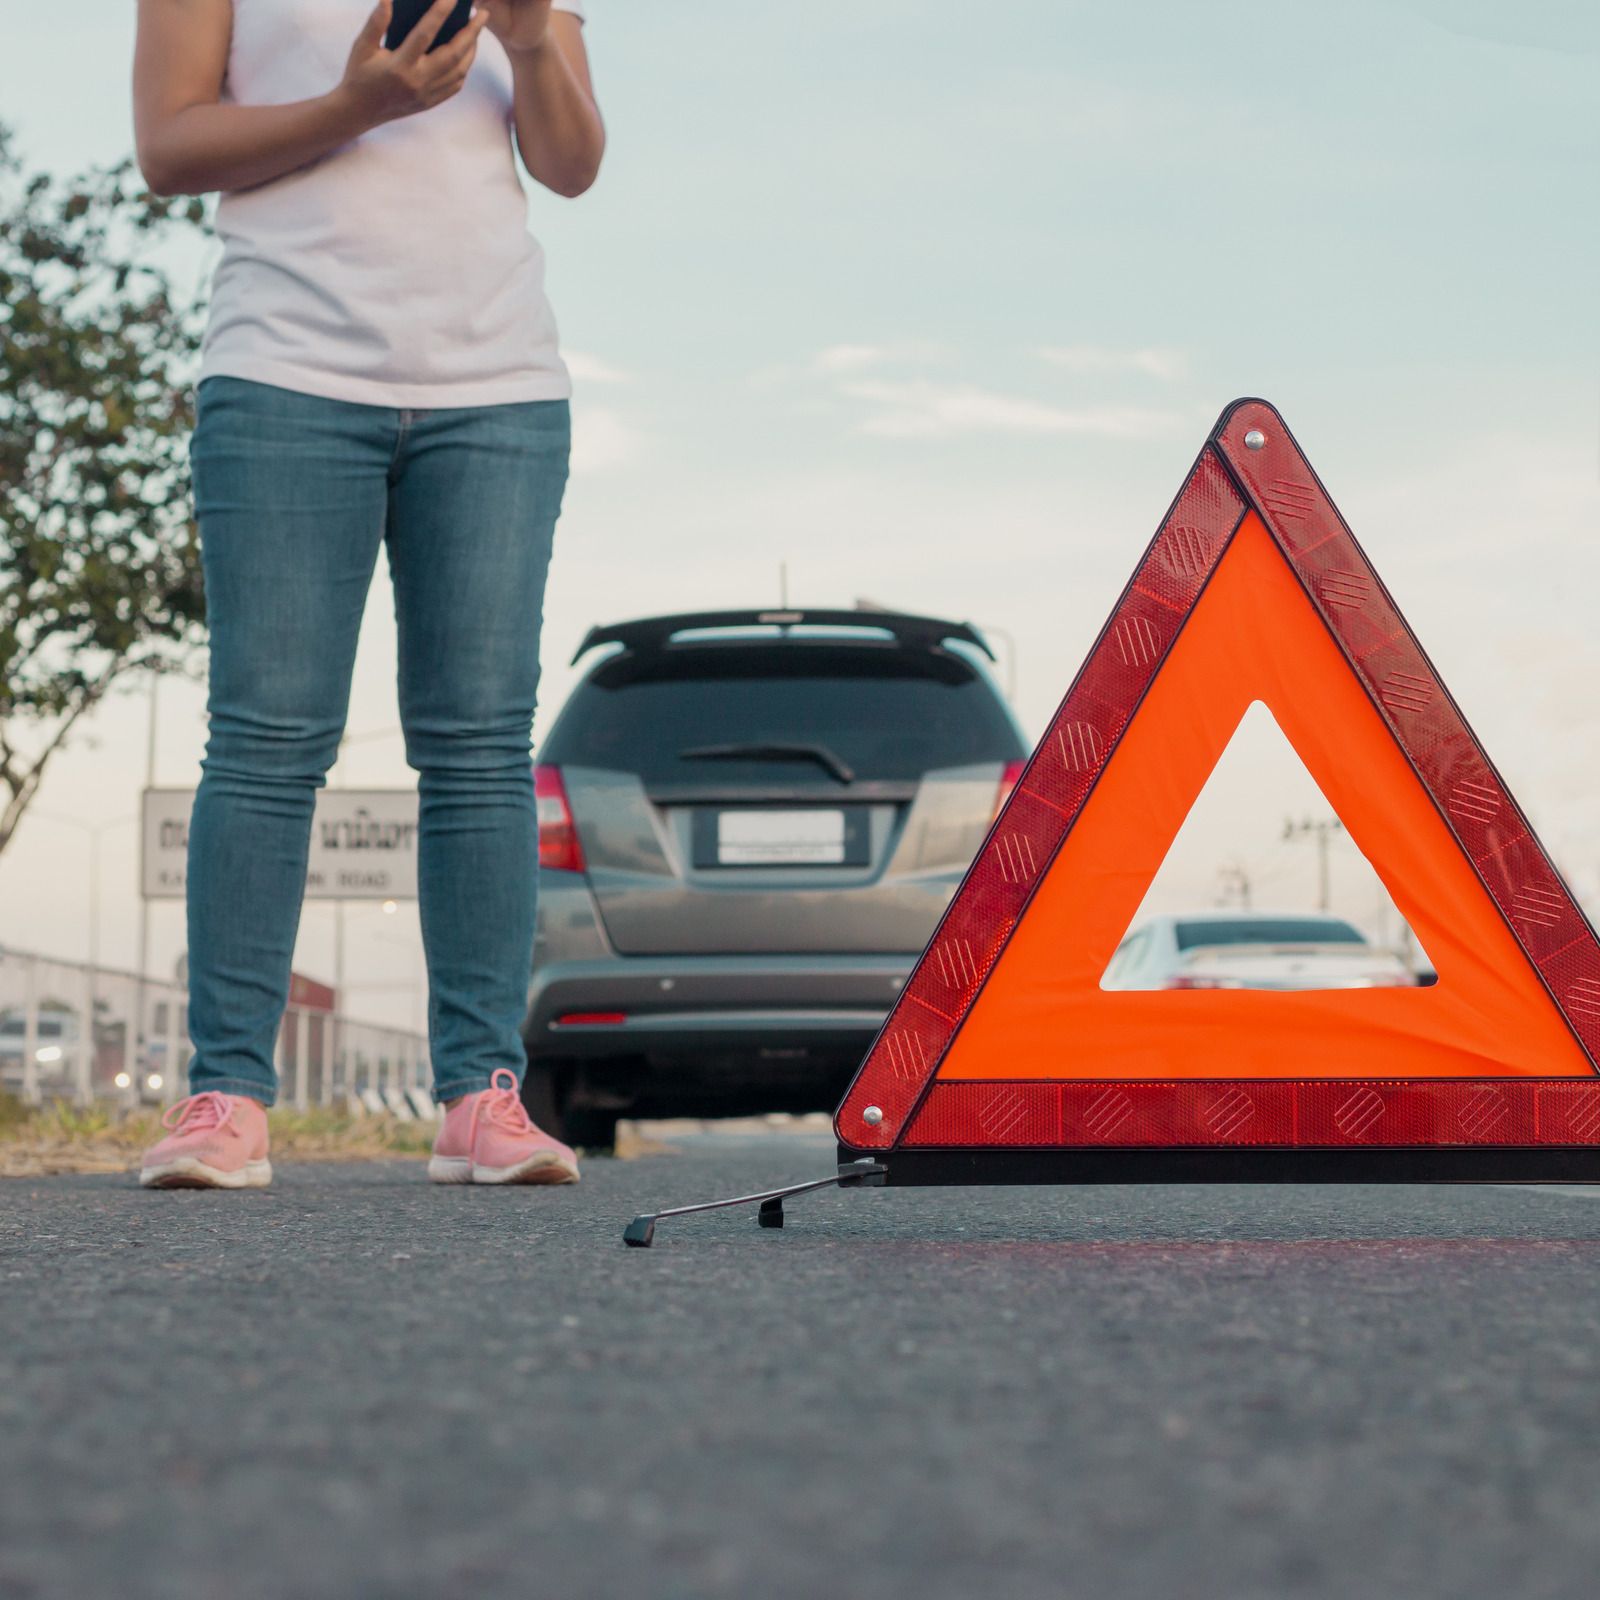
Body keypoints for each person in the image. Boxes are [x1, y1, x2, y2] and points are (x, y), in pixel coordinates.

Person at [129, 0, 605, 1188]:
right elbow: (168, 147)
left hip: (496, 386)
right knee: (266, 739)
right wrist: (360, 105)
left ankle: (480, 1098)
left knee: (481, 743)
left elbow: (573, 163)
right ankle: (227, 1096)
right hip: (284, 373)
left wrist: (536, 38)